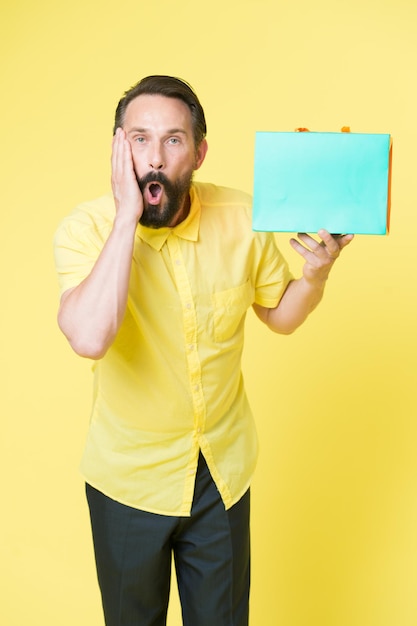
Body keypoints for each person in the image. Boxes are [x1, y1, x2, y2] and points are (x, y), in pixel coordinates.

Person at [54, 75, 353, 626]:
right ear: (118, 148)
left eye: (173, 140)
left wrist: (315, 275)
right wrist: (126, 217)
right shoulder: (86, 228)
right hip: (128, 481)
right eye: (138, 139)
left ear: (199, 152)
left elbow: (279, 317)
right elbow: (90, 337)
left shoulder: (242, 216)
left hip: (220, 474)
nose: (155, 157)